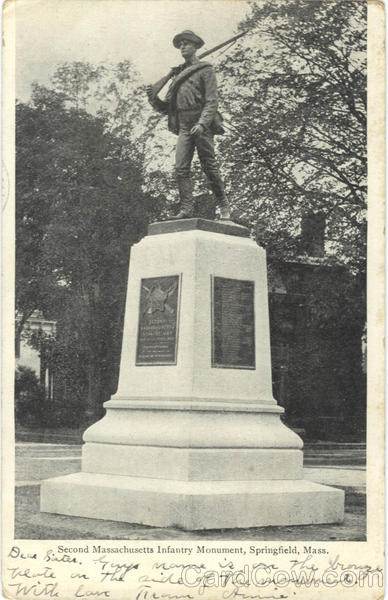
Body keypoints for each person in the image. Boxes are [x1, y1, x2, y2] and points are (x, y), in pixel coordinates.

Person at [146, 30, 231, 220]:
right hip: (184, 125)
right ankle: (186, 209)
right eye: (180, 44)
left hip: (202, 124)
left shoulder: (205, 70)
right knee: (180, 168)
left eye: (186, 44)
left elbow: (211, 101)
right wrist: (152, 97)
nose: (182, 47)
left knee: (209, 167)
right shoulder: (176, 76)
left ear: (195, 47)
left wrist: (202, 123)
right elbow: (167, 108)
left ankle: (224, 206)